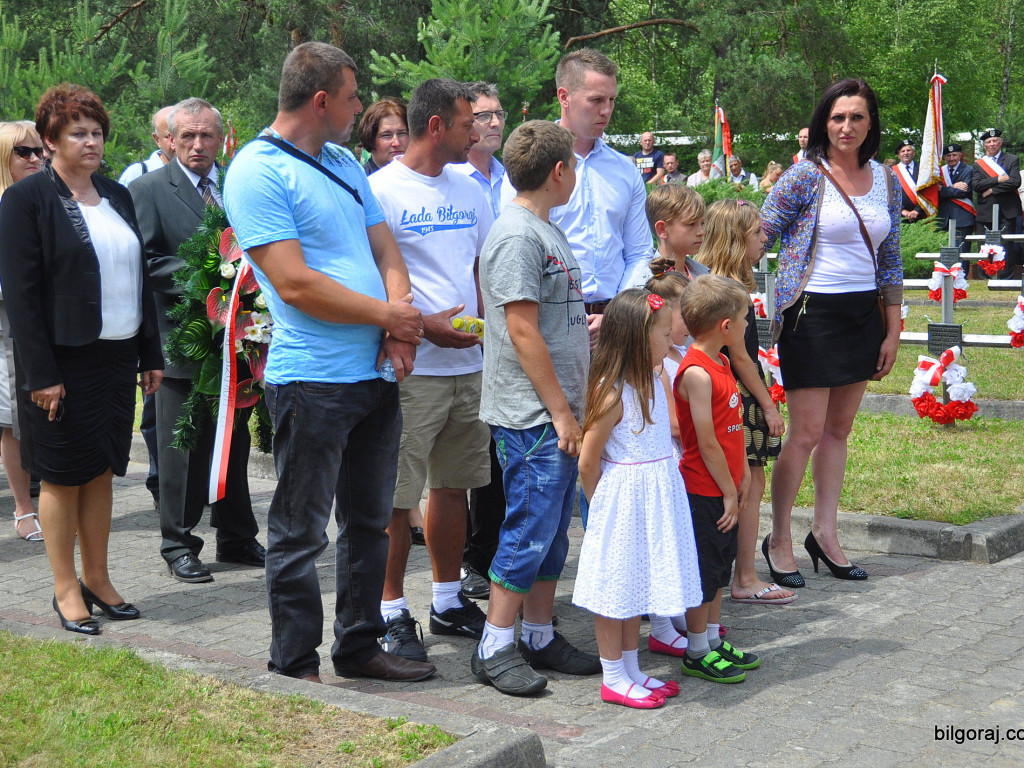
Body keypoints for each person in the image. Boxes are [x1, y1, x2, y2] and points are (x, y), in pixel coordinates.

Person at [222, 42, 435, 683]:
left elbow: (386, 250)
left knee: (369, 522)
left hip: (374, 374)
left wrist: (396, 325)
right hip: (313, 380)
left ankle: (359, 646)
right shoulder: (257, 171)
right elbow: (293, 283)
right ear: (320, 101)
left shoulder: (343, 161)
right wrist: (388, 317)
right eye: (351, 96)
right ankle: (293, 662)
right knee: (300, 531)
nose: (359, 106)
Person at [0, 84, 164, 635]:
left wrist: (149, 352)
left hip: (116, 358)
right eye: (78, 134)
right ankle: (65, 587)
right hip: (61, 363)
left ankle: (98, 577)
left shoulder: (117, 194)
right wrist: (41, 374)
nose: (91, 142)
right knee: (60, 476)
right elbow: (22, 297)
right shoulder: (26, 200)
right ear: (50, 141)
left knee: (101, 471)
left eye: (97, 133)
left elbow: (139, 279)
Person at [473, 119, 599, 696]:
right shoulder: (518, 236)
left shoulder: (545, 229)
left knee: (552, 534)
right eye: (573, 166)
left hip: (558, 411)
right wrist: (561, 412)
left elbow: (548, 318)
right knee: (528, 528)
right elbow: (521, 331)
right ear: (558, 170)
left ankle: (540, 634)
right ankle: (495, 644)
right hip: (533, 416)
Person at [368, 79, 493, 663]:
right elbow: (369, 279)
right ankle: (390, 610)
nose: (478, 132)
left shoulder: (471, 188)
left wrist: (487, 338)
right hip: (411, 366)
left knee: (453, 486)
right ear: (437, 126)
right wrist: (420, 326)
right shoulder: (379, 191)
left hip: (469, 363)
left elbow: (482, 270)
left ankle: (446, 600)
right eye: (469, 123)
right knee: (397, 496)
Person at [761, 78, 902, 587]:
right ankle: (778, 537)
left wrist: (892, 331)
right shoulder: (805, 175)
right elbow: (761, 231)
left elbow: (891, 257)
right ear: (824, 121)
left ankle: (824, 533)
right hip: (811, 314)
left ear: (871, 123)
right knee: (805, 434)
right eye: (838, 117)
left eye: (857, 117)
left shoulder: (886, 178)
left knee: (839, 431)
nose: (847, 127)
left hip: (863, 314)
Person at [130, 97, 265, 584]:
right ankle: (178, 543)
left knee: (234, 442)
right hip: (181, 342)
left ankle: (237, 536)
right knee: (180, 448)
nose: (197, 145)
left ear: (221, 138)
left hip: (239, 342)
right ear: (169, 140)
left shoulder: (235, 184)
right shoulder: (148, 189)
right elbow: (145, 261)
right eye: (187, 136)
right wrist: (210, 276)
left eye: (207, 135)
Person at [575, 288, 703, 708]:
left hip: (653, 500)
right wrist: (602, 508)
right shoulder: (612, 393)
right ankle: (613, 676)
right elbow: (588, 463)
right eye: (664, 335)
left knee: (633, 587)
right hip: (622, 504)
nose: (670, 342)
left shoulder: (653, 380)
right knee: (614, 591)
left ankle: (631, 668)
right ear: (636, 339)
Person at [696, 199, 793, 605]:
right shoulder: (730, 291)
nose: (765, 238)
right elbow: (741, 357)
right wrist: (768, 404)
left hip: (722, 393)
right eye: (757, 232)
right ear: (735, 239)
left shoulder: (708, 283)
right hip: (737, 397)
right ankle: (745, 577)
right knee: (748, 485)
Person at [674, 274, 761, 683]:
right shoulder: (697, 373)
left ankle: (711, 637)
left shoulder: (722, 363)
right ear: (726, 326)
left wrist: (742, 475)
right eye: (744, 319)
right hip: (704, 489)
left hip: (726, 485)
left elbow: (733, 427)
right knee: (704, 571)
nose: (746, 325)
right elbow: (706, 442)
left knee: (721, 566)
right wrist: (728, 490)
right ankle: (695, 650)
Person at [453, 81, 517, 600]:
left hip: (515, 324)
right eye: (482, 115)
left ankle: (501, 553)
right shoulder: (451, 179)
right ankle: (473, 558)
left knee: (506, 448)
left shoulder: (514, 179)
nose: (494, 123)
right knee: (472, 454)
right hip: (465, 335)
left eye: (498, 114)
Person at [549, 48, 653, 346]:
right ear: (564, 97)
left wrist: (617, 314)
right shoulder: (533, 164)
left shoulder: (625, 170)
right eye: (596, 100)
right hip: (551, 323)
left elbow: (639, 252)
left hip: (615, 325)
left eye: (611, 100)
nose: (606, 110)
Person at [0, 121, 45, 541]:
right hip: (7, 329)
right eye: (24, 152)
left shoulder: (51, 199)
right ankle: (23, 508)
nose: (36, 158)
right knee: (15, 421)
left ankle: (53, 501)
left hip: (50, 325)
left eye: (39, 150)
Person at [973, 128, 1022, 279]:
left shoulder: (1012, 159)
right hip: (986, 210)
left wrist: (992, 190)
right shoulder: (979, 164)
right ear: (984, 145)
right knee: (985, 244)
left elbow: (1015, 182)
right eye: (989, 142)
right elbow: (977, 185)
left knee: (1006, 245)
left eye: (995, 141)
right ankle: (985, 276)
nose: (992, 144)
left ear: (1000, 143)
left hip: (1007, 209)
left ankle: (1005, 277)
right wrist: (998, 179)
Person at [117, 106, 174, 186]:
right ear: (157, 139)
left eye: (186, 136)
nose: (177, 142)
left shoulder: (192, 172)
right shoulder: (137, 174)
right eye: (169, 137)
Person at [937, 143, 975, 253]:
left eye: (954, 155)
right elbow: (935, 193)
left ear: (960, 155)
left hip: (963, 217)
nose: (951, 158)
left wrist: (943, 189)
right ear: (944, 157)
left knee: (962, 253)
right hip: (943, 218)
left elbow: (964, 192)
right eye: (948, 156)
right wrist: (953, 187)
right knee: (944, 254)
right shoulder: (939, 172)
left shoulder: (968, 169)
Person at [358, 97, 409, 175]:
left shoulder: (423, 176)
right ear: (370, 138)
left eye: (402, 133)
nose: (396, 143)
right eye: (386, 135)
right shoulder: (361, 179)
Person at [894, 139, 924, 222]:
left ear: (914, 153)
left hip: (922, 215)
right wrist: (902, 210)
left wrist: (917, 210)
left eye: (908, 150)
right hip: (901, 216)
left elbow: (928, 192)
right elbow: (890, 195)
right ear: (898, 155)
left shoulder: (923, 169)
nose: (906, 153)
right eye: (903, 151)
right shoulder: (892, 172)